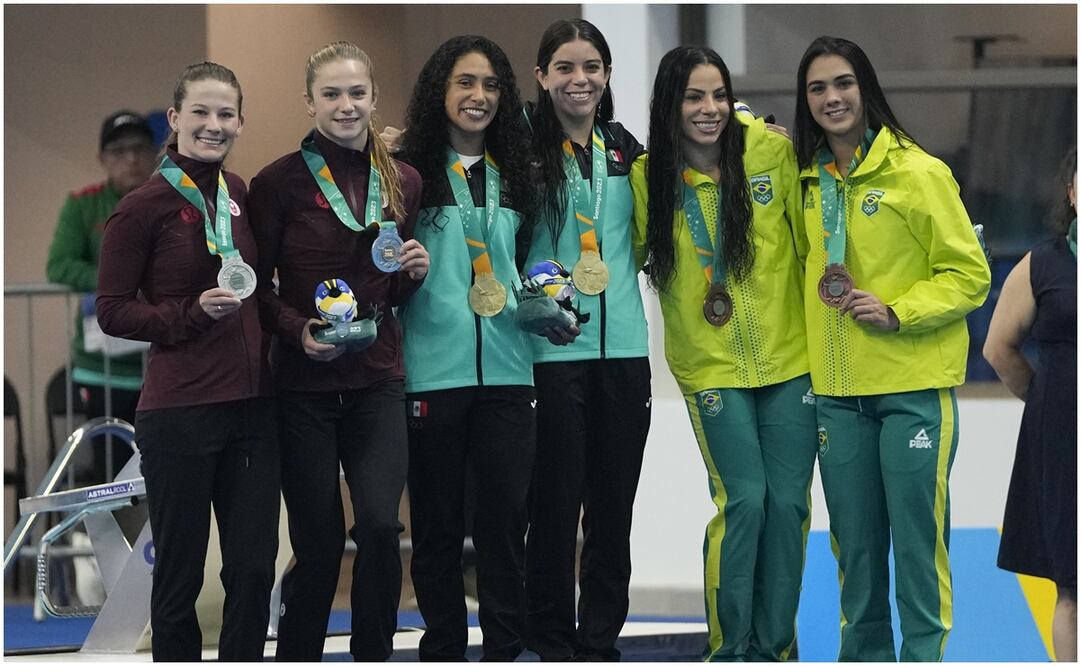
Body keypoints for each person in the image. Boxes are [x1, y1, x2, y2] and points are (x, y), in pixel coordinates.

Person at [792, 36, 991, 661]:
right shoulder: (804, 180)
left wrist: (899, 311)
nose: (832, 97)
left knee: (916, 545)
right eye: (818, 87)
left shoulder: (919, 172)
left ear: (866, 88)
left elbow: (970, 275)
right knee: (854, 552)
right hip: (837, 397)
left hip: (912, 391)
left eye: (843, 83)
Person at [630, 46, 816, 661]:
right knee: (745, 501)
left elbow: (811, 238)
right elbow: (615, 256)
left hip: (791, 360)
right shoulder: (646, 178)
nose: (708, 109)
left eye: (717, 95)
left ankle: (776, 648)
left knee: (788, 506)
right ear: (669, 104)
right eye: (692, 97)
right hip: (711, 367)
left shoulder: (770, 151)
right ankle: (730, 649)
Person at [247, 41, 427, 662]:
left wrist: (414, 271)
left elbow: (392, 281)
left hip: (377, 377)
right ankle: (299, 652)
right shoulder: (277, 183)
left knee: (380, 527)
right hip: (303, 386)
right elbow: (256, 290)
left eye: (357, 93)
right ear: (310, 102)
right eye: (331, 94)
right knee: (319, 542)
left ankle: (372, 653)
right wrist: (296, 330)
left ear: (375, 98)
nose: (346, 105)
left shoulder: (402, 179)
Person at [96, 62, 279, 662]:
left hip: (252, 410)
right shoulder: (140, 208)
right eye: (200, 112)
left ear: (240, 123)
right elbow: (113, 311)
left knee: (253, 572)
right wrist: (189, 313)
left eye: (226, 114)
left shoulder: (240, 195)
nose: (213, 124)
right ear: (175, 120)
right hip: (180, 413)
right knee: (180, 575)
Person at [396, 35, 538, 662]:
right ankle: (444, 648)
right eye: (464, 83)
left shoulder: (520, 177)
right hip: (432, 373)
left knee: (505, 527)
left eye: (490, 85)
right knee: (437, 528)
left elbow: (532, 269)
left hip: (510, 373)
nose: (479, 97)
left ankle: (505, 649)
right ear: (440, 91)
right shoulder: (407, 176)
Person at [522, 18, 651, 662]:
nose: (580, 80)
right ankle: (551, 637)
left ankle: (600, 639)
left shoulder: (626, 148)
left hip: (624, 349)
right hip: (551, 349)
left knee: (613, 504)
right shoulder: (517, 151)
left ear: (606, 76)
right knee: (555, 501)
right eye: (565, 68)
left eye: (592, 68)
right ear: (542, 77)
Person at [984, 147, 1076, 662]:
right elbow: (998, 348)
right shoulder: (1043, 263)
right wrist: (1051, 403)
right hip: (1065, 442)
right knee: (1073, 582)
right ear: (1071, 193)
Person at [46, 110, 156, 479]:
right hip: (101, 367)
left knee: (165, 468)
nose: (130, 159)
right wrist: (119, 283)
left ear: (155, 153)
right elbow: (60, 266)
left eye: (140, 149)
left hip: (161, 362)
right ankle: (108, 539)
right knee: (109, 473)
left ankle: (165, 540)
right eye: (119, 151)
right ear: (102, 159)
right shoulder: (83, 204)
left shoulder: (170, 199)